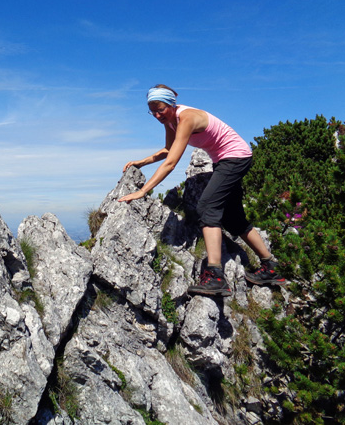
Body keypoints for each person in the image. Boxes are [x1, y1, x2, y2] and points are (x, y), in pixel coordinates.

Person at [118, 84, 285, 296]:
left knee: (207, 207)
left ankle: (215, 276)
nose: (157, 114)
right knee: (233, 219)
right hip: (225, 160)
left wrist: (143, 191)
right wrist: (142, 162)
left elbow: (171, 163)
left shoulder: (186, 118)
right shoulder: (170, 122)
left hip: (235, 157)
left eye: (160, 108)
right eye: (152, 111)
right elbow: (169, 149)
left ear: (171, 103)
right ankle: (271, 267)